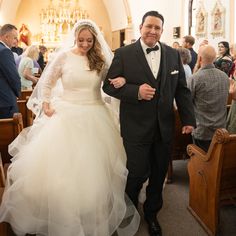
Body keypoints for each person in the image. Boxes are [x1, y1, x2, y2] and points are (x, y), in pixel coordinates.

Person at [0, 19, 140, 236]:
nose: (85, 44)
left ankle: (90, 210)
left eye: (89, 40)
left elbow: (110, 82)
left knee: (94, 168)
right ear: (75, 38)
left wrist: (120, 80)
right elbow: (48, 82)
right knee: (64, 168)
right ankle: (63, 211)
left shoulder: (100, 59)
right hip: (67, 114)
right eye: (81, 40)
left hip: (95, 114)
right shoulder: (63, 57)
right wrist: (45, 102)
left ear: (95, 40)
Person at [103, 11, 195, 236]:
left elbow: (181, 90)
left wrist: (188, 119)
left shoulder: (173, 55)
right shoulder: (124, 54)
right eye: (149, 26)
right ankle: (130, 211)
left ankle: (152, 213)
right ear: (141, 28)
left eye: (157, 28)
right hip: (135, 127)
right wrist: (135, 91)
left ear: (162, 30)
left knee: (158, 172)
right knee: (136, 172)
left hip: (164, 127)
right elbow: (108, 86)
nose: (153, 31)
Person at [188, 45, 229, 151]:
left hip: (202, 131)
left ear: (200, 58)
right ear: (214, 59)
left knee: (201, 164)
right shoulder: (224, 76)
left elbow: (187, 102)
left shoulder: (195, 78)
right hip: (221, 130)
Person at [0, 24, 21, 118]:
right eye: (14, 37)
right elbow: (13, 77)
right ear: (6, 37)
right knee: (10, 132)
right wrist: (18, 93)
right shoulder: (5, 51)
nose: (15, 41)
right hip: (5, 101)